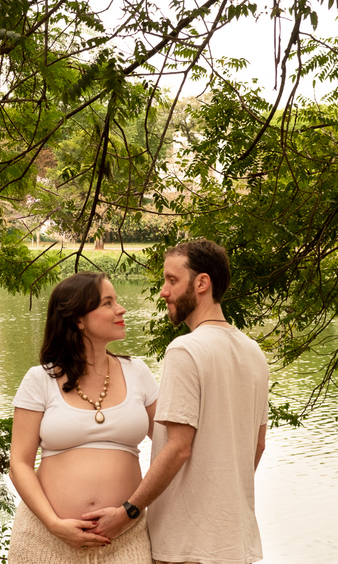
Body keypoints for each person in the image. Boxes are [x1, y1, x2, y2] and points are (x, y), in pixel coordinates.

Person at [82, 239, 270, 564]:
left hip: (186, 546)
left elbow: (179, 447)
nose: (163, 292)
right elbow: (258, 445)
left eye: (172, 280)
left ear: (201, 283)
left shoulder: (185, 350)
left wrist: (128, 512)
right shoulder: (254, 353)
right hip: (235, 543)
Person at [8, 271, 159, 563]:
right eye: (107, 303)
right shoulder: (39, 380)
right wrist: (53, 524)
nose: (121, 309)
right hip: (46, 538)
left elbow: (173, 447)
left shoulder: (138, 372)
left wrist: (131, 510)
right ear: (78, 319)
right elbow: (19, 464)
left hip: (126, 536)